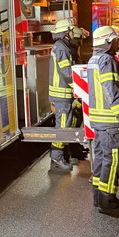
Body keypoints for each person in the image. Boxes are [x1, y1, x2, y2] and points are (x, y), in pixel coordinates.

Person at [88, 25, 119, 216]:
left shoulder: (93, 59)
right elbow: (111, 89)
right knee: (114, 159)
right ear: (108, 42)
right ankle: (108, 202)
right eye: (114, 40)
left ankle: (99, 197)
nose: (117, 42)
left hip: (98, 121)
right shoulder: (107, 60)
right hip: (110, 121)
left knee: (101, 158)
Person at [48, 19, 88, 172]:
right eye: (71, 31)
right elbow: (66, 72)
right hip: (61, 94)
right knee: (63, 126)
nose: (73, 34)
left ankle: (64, 154)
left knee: (68, 124)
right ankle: (56, 157)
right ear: (66, 32)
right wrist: (78, 88)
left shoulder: (62, 47)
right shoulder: (61, 48)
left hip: (64, 94)